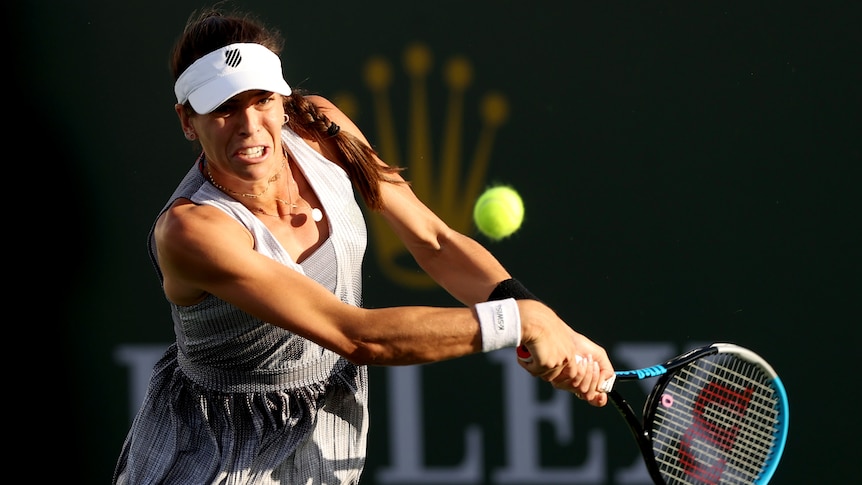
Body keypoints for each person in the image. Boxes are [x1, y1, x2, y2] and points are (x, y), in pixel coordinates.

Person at [113, 7, 615, 485]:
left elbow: (434, 241)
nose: (249, 126)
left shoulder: (319, 128)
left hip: (321, 445)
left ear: (283, 100)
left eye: (262, 100)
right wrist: (519, 322)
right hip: (215, 461)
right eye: (222, 109)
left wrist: (554, 328)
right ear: (186, 120)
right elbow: (356, 337)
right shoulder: (192, 232)